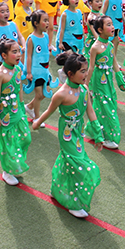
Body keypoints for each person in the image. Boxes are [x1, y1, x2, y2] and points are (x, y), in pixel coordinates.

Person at [32, 51, 104, 219]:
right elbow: (49, 111)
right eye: (82, 71)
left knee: (68, 161)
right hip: (66, 134)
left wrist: (98, 135)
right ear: (70, 74)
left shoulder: (84, 89)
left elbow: (90, 111)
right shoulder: (61, 94)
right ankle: (74, 203)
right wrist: (37, 122)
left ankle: (58, 190)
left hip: (78, 132)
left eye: (86, 70)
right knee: (82, 166)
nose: (86, 74)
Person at [0, 39, 31, 186]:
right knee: (9, 142)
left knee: (26, 138)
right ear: (4, 55)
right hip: (5, 115)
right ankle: (7, 171)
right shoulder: (0, 74)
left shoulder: (17, 69)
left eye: (19, 51)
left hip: (18, 110)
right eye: (14, 52)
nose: (18, 54)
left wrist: (22, 106)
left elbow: (19, 88)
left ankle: (14, 162)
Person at [86, 16, 123, 150]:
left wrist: (120, 79)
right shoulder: (95, 47)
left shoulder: (111, 45)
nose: (112, 27)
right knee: (107, 108)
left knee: (107, 104)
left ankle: (93, 130)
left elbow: (114, 62)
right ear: (100, 30)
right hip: (98, 81)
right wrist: (86, 84)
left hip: (108, 80)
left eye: (112, 24)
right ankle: (109, 137)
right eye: (109, 25)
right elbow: (90, 67)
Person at [24, 10, 56, 123]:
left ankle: (29, 107)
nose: (48, 23)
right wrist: (28, 72)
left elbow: (45, 51)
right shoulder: (31, 39)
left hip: (44, 71)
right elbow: (28, 56)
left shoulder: (46, 36)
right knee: (39, 94)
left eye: (48, 20)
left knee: (44, 94)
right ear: (36, 23)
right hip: (36, 71)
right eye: (45, 20)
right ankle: (37, 118)